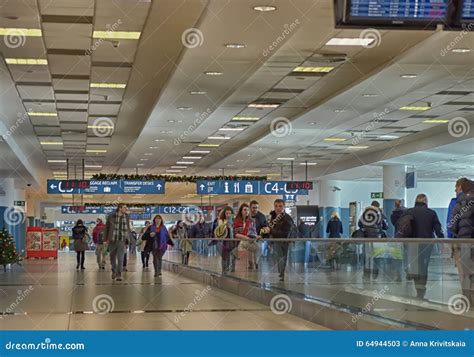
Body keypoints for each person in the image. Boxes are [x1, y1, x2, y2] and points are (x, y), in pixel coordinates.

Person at [406, 194, 444, 299]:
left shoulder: (409, 212)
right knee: (423, 266)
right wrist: (442, 239)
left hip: (412, 244)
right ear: (426, 201)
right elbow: (438, 229)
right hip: (427, 244)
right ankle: (421, 291)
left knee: (414, 265)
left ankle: (417, 287)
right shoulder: (431, 213)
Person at [450, 179, 474, 305]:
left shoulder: (461, 201)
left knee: (465, 272)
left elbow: (452, 225)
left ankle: (466, 298)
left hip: (465, 241)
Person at [261, 199, 295, 281]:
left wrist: (271, 231)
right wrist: (262, 235)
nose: (278, 208)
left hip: (284, 242)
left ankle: (282, 275)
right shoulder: (273, 217)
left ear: (284, 207)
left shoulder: (287, 218)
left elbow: (285, 233)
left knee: (282, 257)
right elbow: (269, 228)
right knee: (278, 258)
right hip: (275, 241)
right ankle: (281, 274)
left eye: (280, 206)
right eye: (276, 206)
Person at [104, 203, 131, 281]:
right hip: (112, 240)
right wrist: (105, 240)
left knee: (120, 258)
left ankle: (119, 274)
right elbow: (106, 228)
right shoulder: (111, 216)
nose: (126, 209)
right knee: (112, 257)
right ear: (119, 208)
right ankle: (113, 270)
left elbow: (128, 229)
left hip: (121, 240)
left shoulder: (126, 217)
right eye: (124, 207)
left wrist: (128, 240)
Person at [234, 203, 259, 270]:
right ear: (241, 211)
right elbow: (235, 234)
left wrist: (256, 236)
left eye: (248, 210)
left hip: (249, 241)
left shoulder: (251, 221)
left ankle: (254, 264)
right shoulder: (236, 221)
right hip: (238, 242)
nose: (246, 211)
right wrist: (246, 238)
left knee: (256, 247)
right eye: (244, 210)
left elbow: (254, 232)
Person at [214, 207, 238, 274]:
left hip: (232, 240)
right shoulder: (221, 221)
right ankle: (224, 270)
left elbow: (235, 230)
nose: (228, 215)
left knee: (232, 255)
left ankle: (231, 269)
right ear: (224, 214)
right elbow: (220, 230)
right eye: (227, 213)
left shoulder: (233, 221)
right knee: (225, 256)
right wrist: (226, 225)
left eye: (230, 213)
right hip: (224, 241)